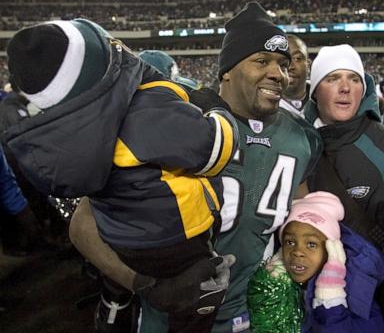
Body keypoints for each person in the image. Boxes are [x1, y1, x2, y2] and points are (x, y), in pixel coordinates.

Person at [68, 1, 323, 333]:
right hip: (173, 317)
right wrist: (143, 284)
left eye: (283, 64)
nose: (278, 74)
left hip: (255, 311)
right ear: (227, 70)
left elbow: (300, 216)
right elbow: (82, 224)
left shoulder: (301, 137)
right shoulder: (173, 118)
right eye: (262, 61)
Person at [4, 18, 238, 333]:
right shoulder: (144, 111)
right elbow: (214, 152)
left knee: (119, 291)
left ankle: (114, 310)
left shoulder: (67, 131)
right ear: (100, 62)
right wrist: (218, 111)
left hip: (120, 239)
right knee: (197, 299)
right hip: (174, 239)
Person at [248, 191, 384, 332]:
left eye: (311, 244)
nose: (297, 252)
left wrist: (331, 301)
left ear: (331, 251)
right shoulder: (277, 283)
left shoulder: (357, 295)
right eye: (290, 242)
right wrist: (270, 288)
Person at [304, 44, 384, 251]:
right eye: (332, 78)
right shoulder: (297, 143)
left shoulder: (379, 142)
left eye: (354, 79)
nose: (345, 87)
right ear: (315, 92)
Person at [279, 34, 311, 117]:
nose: (289, 66)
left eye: (297, 58)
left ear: (308, 66)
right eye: (283, 59)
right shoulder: (261, 108)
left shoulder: (324, 99)